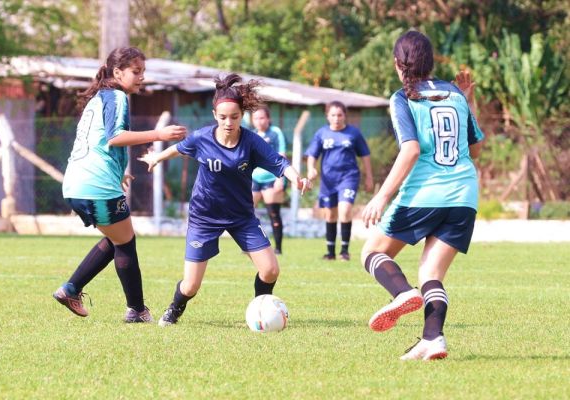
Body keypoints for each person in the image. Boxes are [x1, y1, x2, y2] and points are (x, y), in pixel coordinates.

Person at [138, 73, 312, 327]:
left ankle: (261, 313)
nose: (228, 122)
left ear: (243, 115)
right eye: (222, 117)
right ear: (214, 115)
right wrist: (156, 158)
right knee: (191, 285)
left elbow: (279, 162)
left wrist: (296, 178)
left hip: (241, 216)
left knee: (270, 269)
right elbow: (180, 147)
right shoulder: (202, 138)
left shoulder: (251, 142)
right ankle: (174, 309)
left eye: (234, 117)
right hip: (205, 216)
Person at [359, 30, 484, 360]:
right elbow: (476, 149)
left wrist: (381, 196)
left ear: (398, 64)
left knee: (372, 253)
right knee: (432, 274)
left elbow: (411, 150)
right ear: (431, 62)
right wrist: (467, 102)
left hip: (425, 194)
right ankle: (432, 339)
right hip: (464, 196)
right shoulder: (456, 93)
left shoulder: (403, 97)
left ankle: (401, 294)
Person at [52, 47, 187, 323]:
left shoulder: (97, 99)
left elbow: (96, 143)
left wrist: (118, 174)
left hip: (76, 183)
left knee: (117, 238)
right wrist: (159, 134)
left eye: (143, 72)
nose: (141, 78)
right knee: (125, 242)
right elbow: (115, 137)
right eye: (136, 72)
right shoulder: (117, 96)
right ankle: (136, 310)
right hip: (96, 184)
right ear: (117, 72)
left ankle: (71, 289)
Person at [305, 101, 374, 261]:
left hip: (348, 178)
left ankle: (344, 251)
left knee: (344, 211)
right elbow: (312, 155)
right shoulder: (321, 133)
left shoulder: (353, 133)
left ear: (345, 116)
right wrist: (311, 169)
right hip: (329, 181)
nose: (337, 118)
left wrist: (369, 176)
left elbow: (365, 155)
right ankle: (330, 252)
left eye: (340, 115)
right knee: (330, 215)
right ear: (327, 116)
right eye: (333, 115)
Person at [251, 106, 287, 254]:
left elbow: (282, 156)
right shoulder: (251, 135)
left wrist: (281, 179)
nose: (259, 121)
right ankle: (251, 245)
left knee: (273, 213)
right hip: (254, 178)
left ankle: (278, 248)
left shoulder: (275, 132)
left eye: (262, 118)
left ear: (268, 119)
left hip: (271, 178)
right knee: (246, 213)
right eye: (256, 118)